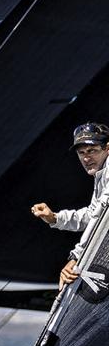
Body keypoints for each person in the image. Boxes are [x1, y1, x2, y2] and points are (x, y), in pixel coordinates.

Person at [30, 122, 109, 286]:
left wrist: (76, 258)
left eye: (92, 151)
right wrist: (54, 218)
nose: (86, 158)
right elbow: (91, 215)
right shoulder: (101, 174)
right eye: (81, 153)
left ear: (107, 148)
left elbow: (98, 217)